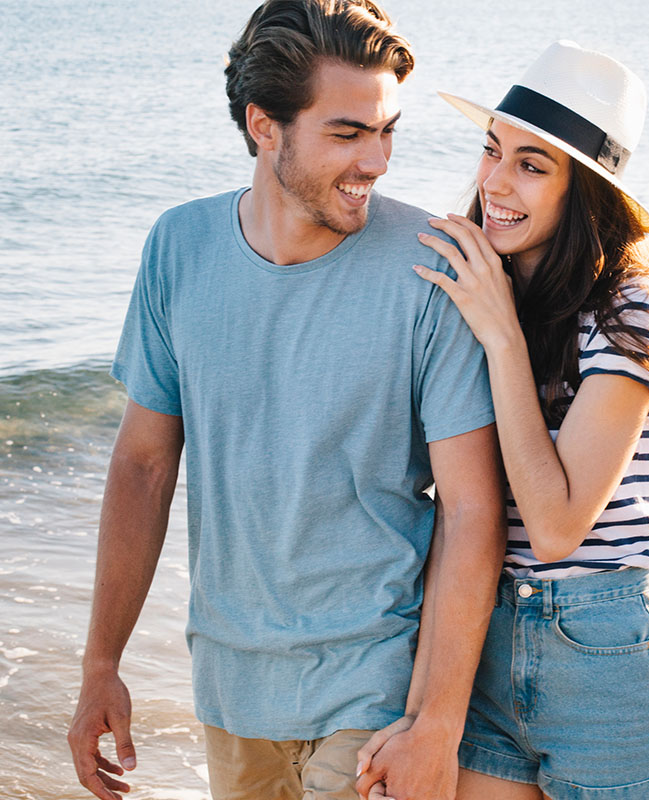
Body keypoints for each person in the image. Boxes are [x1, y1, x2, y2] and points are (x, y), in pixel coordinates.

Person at [66, 2, 508, 799]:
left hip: (376, 686)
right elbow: (140, 466)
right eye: (347, 133)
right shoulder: (179, 248)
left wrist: (437, 722)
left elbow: (473, 508)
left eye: (388, 131)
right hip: (232, 689)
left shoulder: (431, 268)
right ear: (263, 126)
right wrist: (102, 665)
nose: (377, 161)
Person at [357, 40, 649, 800]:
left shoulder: (633, 313)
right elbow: (455, 499)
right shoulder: (497, 290)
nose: (494, 183)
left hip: (603, 657)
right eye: (492, 151)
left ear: (584, 194)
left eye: (531, 165)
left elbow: (555, 524)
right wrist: (423, 714)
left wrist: (500, 336)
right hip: (490, 644)